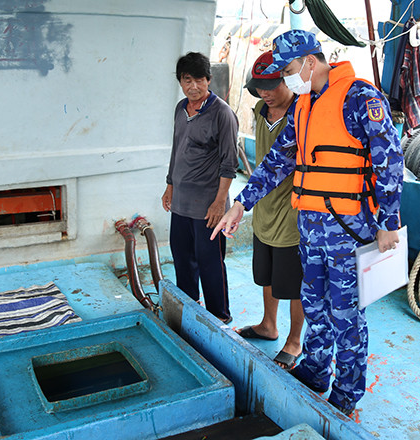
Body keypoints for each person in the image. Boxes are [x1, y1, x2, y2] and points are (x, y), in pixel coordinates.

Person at [211, 30, 403, 416]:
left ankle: (347, 394)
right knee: (314, 304)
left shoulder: (360, 97)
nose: (287, 79)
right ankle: (316, 369)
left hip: (348, 230)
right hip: (311, 228)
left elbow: (390, 161)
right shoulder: (304, 104)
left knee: (346, 313)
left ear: (310, 62)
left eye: (290, 70)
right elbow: (278, 161)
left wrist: (389, 220)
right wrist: (240, 205)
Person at [236, 51, 305, 370]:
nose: (265, 91)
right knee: (266, 275)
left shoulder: (301, 113)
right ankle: (268, 324)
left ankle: (294, 340)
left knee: (293, 283)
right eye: (259, 85)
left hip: (292, 214)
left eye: (272, 84)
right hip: (263, 209)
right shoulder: (261, 109)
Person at [162, 52, 238, 324]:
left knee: (211, 265)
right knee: (182, 259)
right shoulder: (181, 108)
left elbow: (230, 164)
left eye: (198, 80)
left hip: (209, 206)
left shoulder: (222, 114)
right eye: (186, 80)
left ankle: (220, 318)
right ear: (180, 82)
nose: (192, 86)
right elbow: (176, 149)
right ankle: (189, 310)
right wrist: (169, 185)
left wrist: (220, 203)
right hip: (181, 202)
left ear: (209, 79)